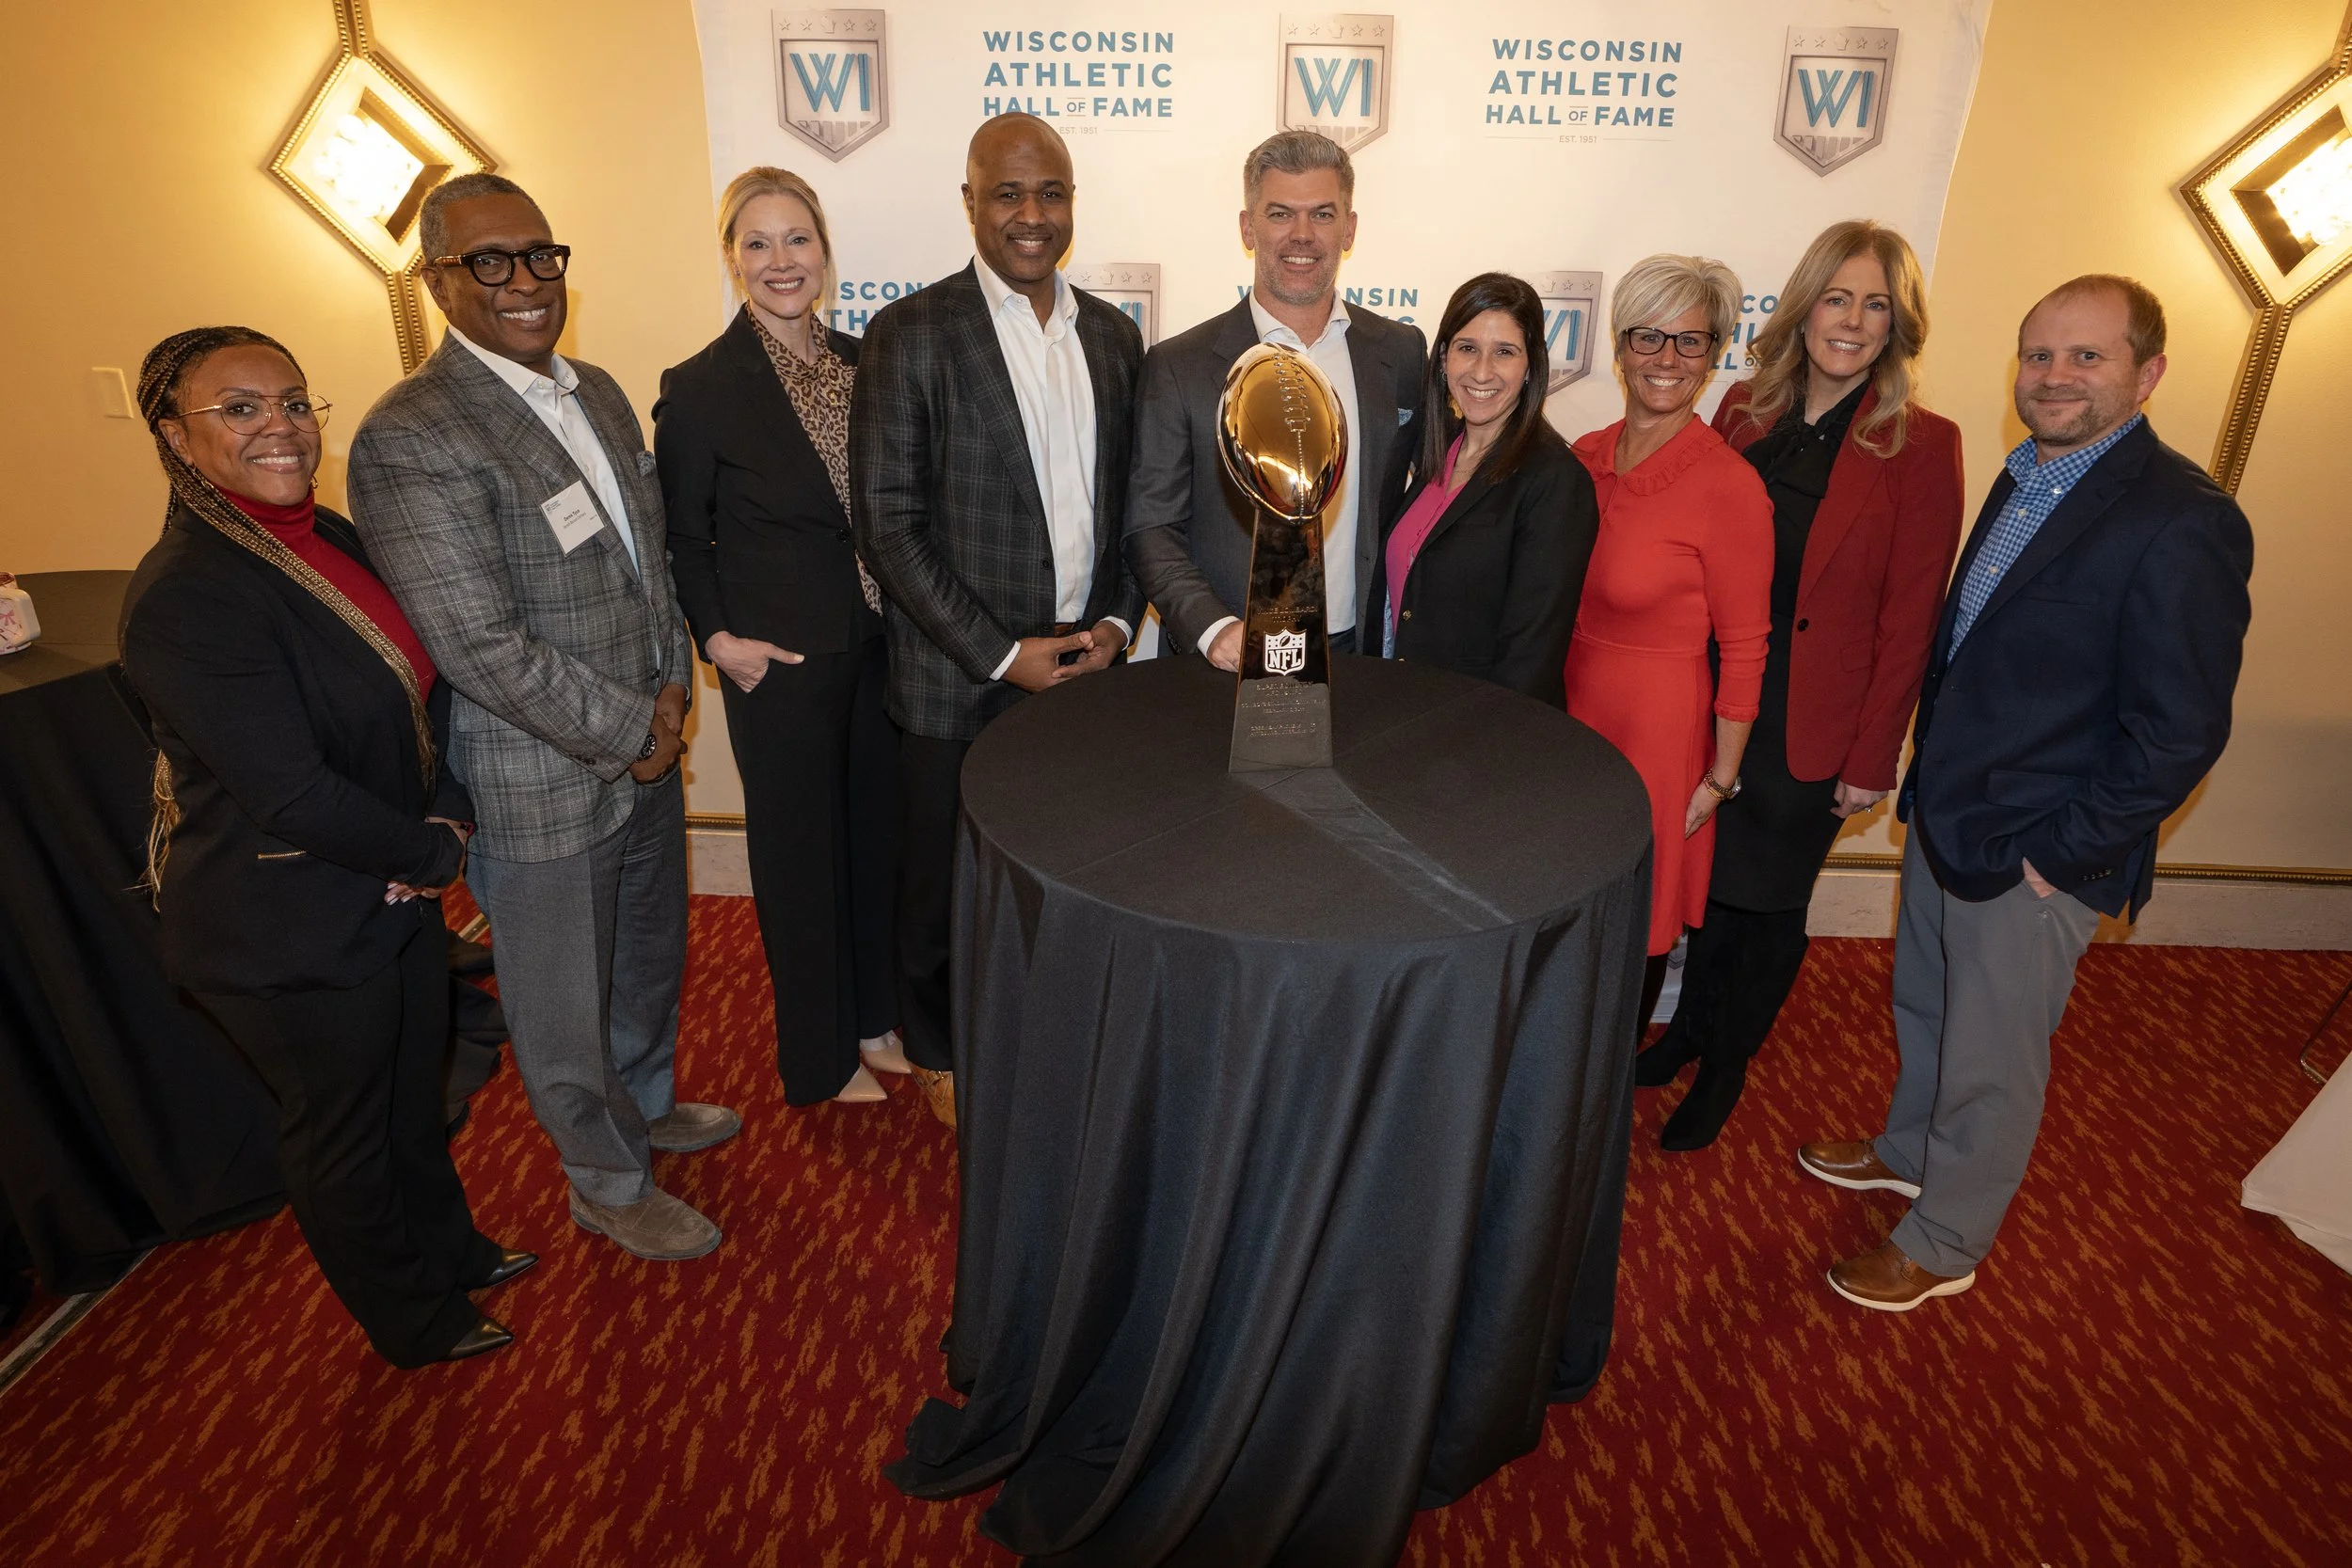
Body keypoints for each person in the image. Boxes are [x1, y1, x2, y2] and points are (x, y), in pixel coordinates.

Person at [1799, 276, 2252, 1311]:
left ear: (2148, 373)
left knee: (1995, 1055)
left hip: (2038, 849)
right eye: (2037, 354)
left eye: (2084, 357)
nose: (2052, 377)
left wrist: (2062, 853)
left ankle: (1946, 1235)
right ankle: (1911, 1148)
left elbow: (2178, 729)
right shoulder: (2024, 474)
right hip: (1951, 810)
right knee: (1928, 1004)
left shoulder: (2182, 519)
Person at [121, 325, 528, 1366]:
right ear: (175, 435)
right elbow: (290, 789)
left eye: (296, 402)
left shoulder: (330, 534)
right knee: (344, 1136)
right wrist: (432, 853)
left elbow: (410, 695)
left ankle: (451, 1249)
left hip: (383, 887)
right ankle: (410, 1316)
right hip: (285, 927)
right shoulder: (185, 595)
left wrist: (440, 808)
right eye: (242, 408)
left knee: (411, 1095)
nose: (281, 428)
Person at [349, 173, 735, 1262]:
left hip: (647, 746)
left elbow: (646, 567)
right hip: (542, 775)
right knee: (563, 1000)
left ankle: (646, 1108)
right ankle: (604, 1179)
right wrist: (632, 727)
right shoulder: (411, 434)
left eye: (540, 255)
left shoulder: (599, 391)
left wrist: (670, 693)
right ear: (436, 280)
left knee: (648, 959)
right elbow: (478, 643)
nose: (524, 281)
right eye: (490, 262)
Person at [1635, 222, 1964, 1151]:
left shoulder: (1921, 443)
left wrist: (1873, 756)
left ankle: (1730, 1061)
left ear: (1897, 325)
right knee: (1710, 884)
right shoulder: (1743, 407)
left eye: (1874, 304)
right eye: (1836, 297)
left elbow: (1911, 619)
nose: (1851, 320)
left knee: (1769, 902)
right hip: (1721, 701)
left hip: (1817, 723)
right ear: (1804, 305)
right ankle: (1686, 1032)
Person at [850, 114, 1144, 1129]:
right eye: (1008, 194)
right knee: (938, 887)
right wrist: (996, 652)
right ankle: (935, 1046)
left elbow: (1125, 505)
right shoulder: (913, 333)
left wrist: (1115, 619)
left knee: (1062, 878)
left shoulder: (1112, 334)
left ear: (1072, 202)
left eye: (1050, 192)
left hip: (1085, 674)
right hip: (956, 679)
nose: (1032, 214)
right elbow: (887, 523)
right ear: (970, 202)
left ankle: (1048, 1030)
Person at [655, 166, 904, 1109]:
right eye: (755, 243)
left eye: (795, 238)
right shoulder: (701, 387)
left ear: (825, 250)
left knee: (876, 839)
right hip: (781, 666)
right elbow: (684, 535)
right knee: (801, 862)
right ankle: (818, 1054)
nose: (779, 260)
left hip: (879, 648)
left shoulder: (863, 361)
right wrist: (718, 637)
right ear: (731, 259)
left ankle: (874, 1014)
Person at [1564, 256, 1773, 1037]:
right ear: (1619, 347)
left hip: (1659, 733)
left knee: (1638, 926)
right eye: (1649, 336)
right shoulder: (1584, 455)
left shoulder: (1729, 487)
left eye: (1691, 342)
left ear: (1716, 354)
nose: (1667, 359)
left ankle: (1603, 1089)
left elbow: (1747, 645)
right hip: (1570, 714)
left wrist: (1719, 778)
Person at [1126, 131, 1426, 666]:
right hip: (1225, 660)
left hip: (1357, 654)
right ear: (1248, 227)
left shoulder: (1401, 353)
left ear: (1350, 229)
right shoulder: (1179, 366)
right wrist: (1213, 630)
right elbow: (1151, 527)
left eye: (1324, 215)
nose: (1302, 235)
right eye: (1281, 213)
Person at [1366, 272, 1597, 702]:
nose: (1482, 371)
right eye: (1467, 348)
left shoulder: (1556, 482)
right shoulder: (1439, 450)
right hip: (1400, 712)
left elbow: (1530, 661)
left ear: (1531, 368)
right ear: (1443, 359)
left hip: (1476, 736)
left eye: (1504, 352)